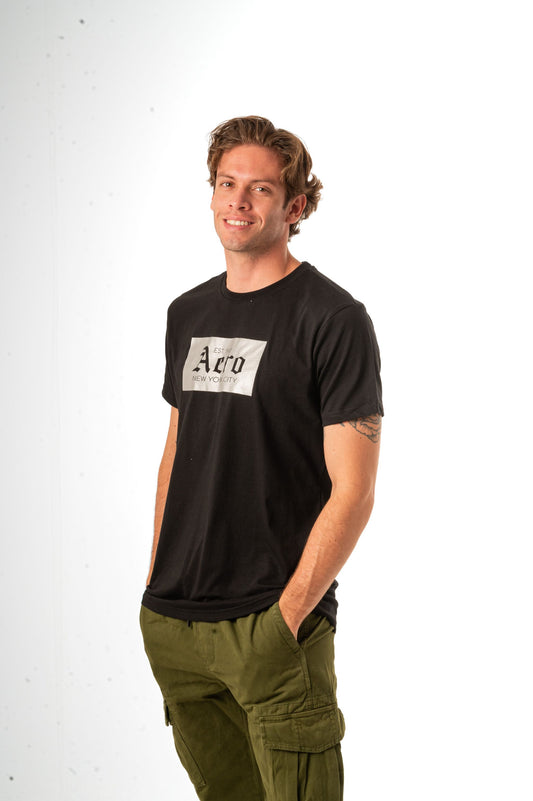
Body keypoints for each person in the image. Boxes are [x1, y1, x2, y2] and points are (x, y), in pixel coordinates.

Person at [140, 115, 384, 801]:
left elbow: (354, 490)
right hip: (177, 624)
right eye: (227, 184)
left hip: (271, 622)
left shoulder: (332, 318)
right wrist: (156, 586)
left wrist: (289, 616)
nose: (238, 202)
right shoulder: (187, 312)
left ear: (295, 206)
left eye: (261, 189)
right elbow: (177, 452)